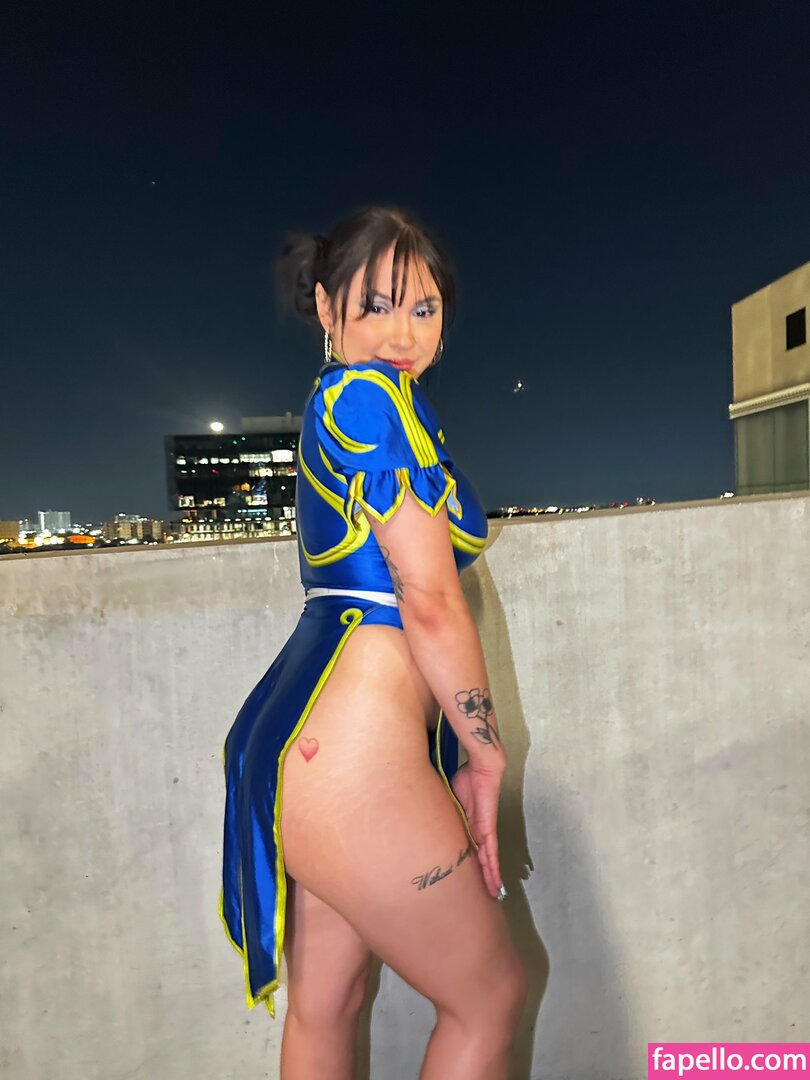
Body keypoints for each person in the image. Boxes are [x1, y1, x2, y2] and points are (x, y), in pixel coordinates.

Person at [221, 205, 527, 1079]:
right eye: (377, 306)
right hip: (355, 762)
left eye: (424, 308)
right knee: (490, 1000)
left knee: (329, 1007)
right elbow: (428, 599)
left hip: (307, 747)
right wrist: (484, 752)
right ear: (327, 309)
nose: (403, 333)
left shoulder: (359, 400)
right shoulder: (366, 398)